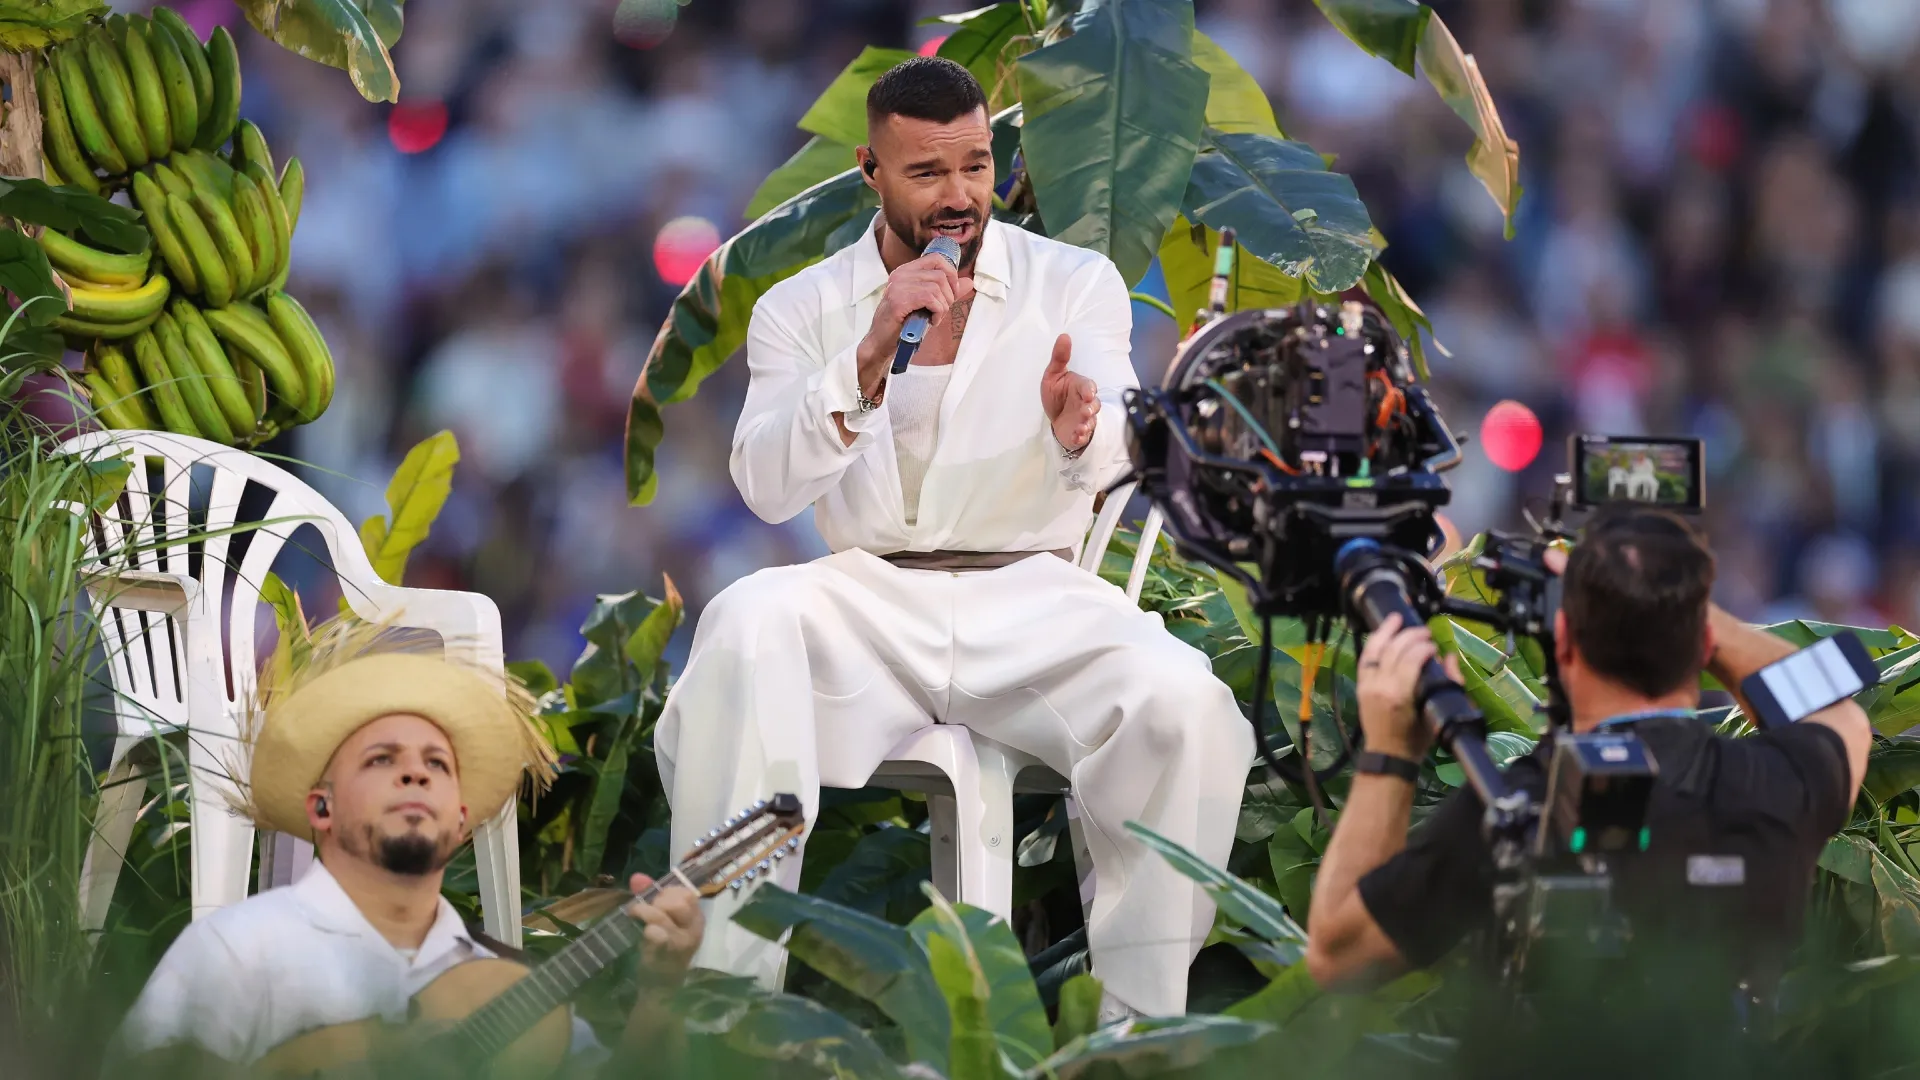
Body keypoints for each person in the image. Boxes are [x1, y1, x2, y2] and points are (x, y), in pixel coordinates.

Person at [654, 56, 1253, 1020]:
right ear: (871, 171)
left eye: (975, 165)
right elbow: (766, 488)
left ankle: (1140, 1032)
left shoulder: (1074, 282)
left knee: (1187, 704)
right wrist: (865, 356)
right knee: (746, 623)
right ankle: (725, 1012)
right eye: (927, 173)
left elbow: (1125, 435)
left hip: (1035, 599)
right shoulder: (801, 307)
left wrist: (1078, 427)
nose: (960, 194)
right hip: (870, 598)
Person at [1304, 505, 1871, 1071]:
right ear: (1701, 649)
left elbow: (1340, 956)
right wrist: (1685, 609)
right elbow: (1841, 715)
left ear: (1564, 639)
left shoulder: (1517, 806)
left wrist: (1392, 753)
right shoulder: (1773, 788)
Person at [110, 618, 705, 1075]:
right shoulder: (238, 949)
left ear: (461, 821)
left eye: (437, 765)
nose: (415, 775)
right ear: (322, 808)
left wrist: (661, 990)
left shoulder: (501, 985)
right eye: (381, 760)